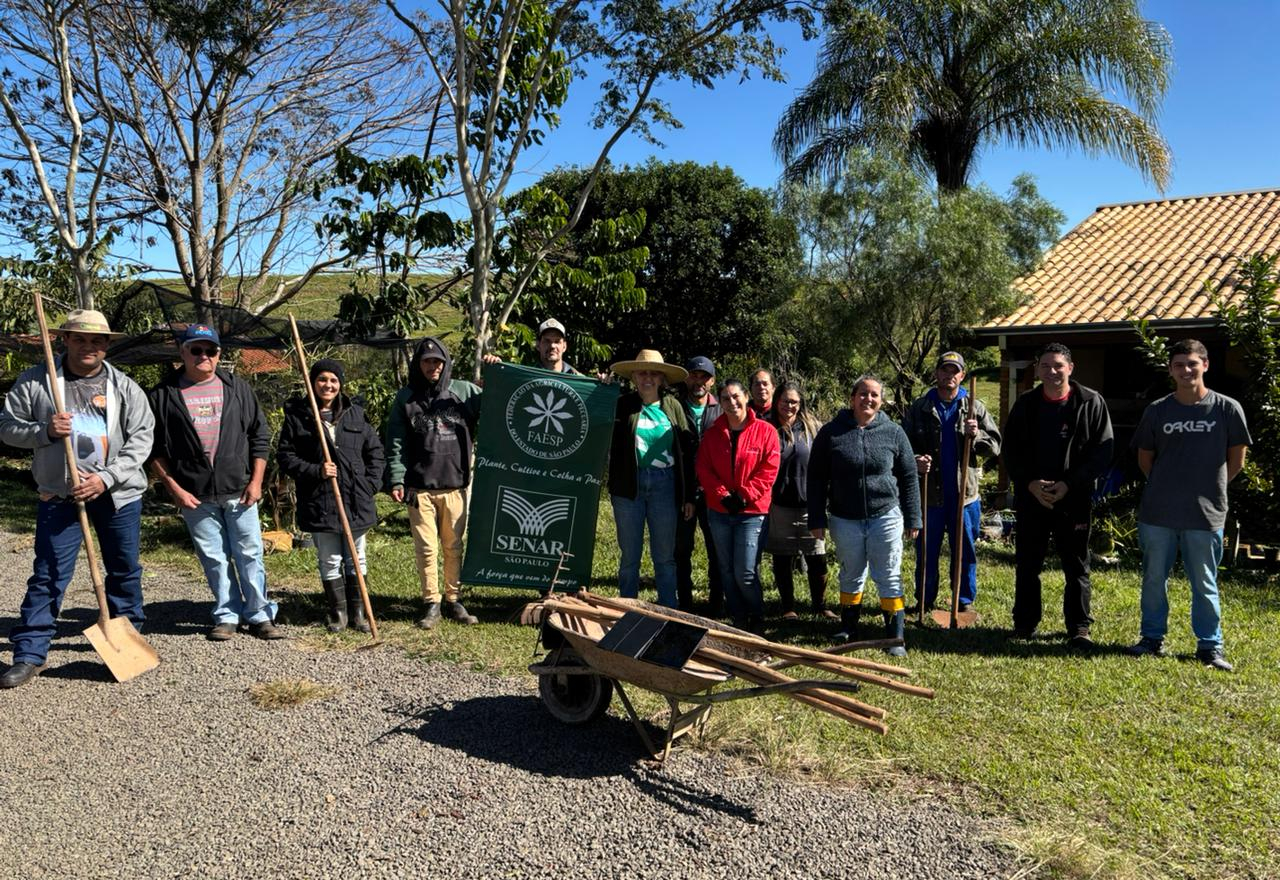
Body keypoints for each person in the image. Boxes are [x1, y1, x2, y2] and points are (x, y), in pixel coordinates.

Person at [0, 310, 155, 688]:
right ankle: (30, 653)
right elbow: (6, 429)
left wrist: (105, 479)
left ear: (106, 345)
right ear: (65, 340)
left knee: (123, 569)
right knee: (49, 572)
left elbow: (141, 439)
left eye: (97, 341)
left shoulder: (124, 387)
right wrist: (44, 431)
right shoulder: (38, 382)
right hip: (60, 495)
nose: (89, 346)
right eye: (80, 339)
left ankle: (126, 636)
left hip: (117, 495)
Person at [148, 324, 284, 641]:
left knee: (250, 553)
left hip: (240, 488)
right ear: (181, 352)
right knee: (213, 557)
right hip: (194, 494)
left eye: (210, 350)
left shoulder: (238, 388)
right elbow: (151, 449)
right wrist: (175, 489)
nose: (203, 356)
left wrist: (257, 481)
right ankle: (227, 615)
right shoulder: (163, 395)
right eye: (196, 350)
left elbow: (259, 436)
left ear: (219, 354)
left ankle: (260, 615)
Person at [1127, 339, 1250, 672]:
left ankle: (1210, 646)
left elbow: (1236, 458)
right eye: (1178, 364)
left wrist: (1211, 488)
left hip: (1206, 514)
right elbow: (1145, 458)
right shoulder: (1158, 410)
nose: (1185, 370)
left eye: (1192, 363)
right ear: (1170, 370)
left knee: (1205, 582)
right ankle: (1152, 638)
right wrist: (1169, 486)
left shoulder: (1226, 409)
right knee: (1154, 578)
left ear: (1205, 365)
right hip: (1159, 513)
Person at [1001, 342, 1113, 648]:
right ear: (1037, 370)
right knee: (1028, 564)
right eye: (1046, 366)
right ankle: (1024, 624)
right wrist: (1030, 484)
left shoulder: (1090, 402)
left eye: (1058, 366)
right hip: (1032, 497)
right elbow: (1011, 451)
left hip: (1073, 499)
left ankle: (1079, 628)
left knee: (1076, 565)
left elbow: (1102, 453)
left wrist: (1069, 484)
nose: (1052, 372)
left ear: (1070, 368)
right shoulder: (1026, 404)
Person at [808, 375, 921, 656]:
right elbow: (816, 478)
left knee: (889, 575)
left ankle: (894, 637)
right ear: (852, 397)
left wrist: (914, 517)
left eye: (874, 395)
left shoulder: (894, 432)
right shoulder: (831, 433)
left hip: (886, 516)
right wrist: (816, 518)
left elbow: (908, 477)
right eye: (862, 393)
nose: (867, 399)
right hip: (844, 518)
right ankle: (849, 628)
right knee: (851, 573)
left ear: (881, 401)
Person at [277, 359, 386, 634]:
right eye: (322, 379)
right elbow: (286, 457)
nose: (328, 385)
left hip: (355, 499)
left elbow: (375, 452)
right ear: (313, 383)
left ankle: (358, 613)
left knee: (356, 557)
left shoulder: (355, 414)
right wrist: (316, 470)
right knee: (330, 558)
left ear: (341, 384)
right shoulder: (299, 416)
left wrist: (369, 484)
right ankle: (338, 613)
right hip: (320, 499)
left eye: (334, 380)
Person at [386, 337, 482, 629]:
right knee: (426, 547)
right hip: (419, 488)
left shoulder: (465, 392)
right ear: (419, 364)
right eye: (427, 362)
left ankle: (454, 600)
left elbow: (496, 407)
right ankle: (431, 603)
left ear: (446, 363)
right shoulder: (406, 398)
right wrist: (396, 477)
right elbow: (396, 441)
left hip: (455, 484)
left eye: (438, 362)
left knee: (453, 546)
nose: (433, 367)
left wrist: (497, 374)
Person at [903, 351, 1001, 612]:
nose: (949, 375)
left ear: (962, 376)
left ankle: (964, 601)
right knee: (927, 552)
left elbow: (995, 447)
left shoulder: (974, 407)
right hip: (930, 496)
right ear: (937, 373)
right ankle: (924, 600)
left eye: (955, 371)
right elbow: (901, 447)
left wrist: (976, 436)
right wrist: (914, 460)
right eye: (945, 370)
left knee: (964, 552)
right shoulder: (920, 408)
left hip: (964, 497)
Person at [608, 349, 696, 608]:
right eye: (642, 372)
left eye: (653, 373)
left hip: (665, 485)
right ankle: (627, 609)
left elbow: (686, 452)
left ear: (661, 378)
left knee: (665, 556)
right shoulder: (622, 405)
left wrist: (689, 495)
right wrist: (602, 387)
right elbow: (596, 418)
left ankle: (668, 610)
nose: (647, 378)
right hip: (628, 486)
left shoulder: (673, 407)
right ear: (634, 377)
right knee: (630, 556)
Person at [697, 379, 780, 632]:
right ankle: (738, 617)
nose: (732, 403)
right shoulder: (713, 433)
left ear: (746, 397)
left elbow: (769, 469)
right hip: (719, 511)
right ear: (719, 403)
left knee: (745, 570)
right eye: (725, 398)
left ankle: (756, 615)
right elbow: (703, 467)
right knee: (726, 569)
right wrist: (722, 495)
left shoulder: (766, 431)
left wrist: (744, 496)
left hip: (752, 513)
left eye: (736, 396)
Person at [766, 381, 833, 620]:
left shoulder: (813, 428)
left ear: (800, 403)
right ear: (776, 402)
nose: (789, 406)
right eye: (785, 401)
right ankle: (788, 607)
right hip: (779, 502)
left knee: (817, 555)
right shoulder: (767, 427)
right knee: (782, 557)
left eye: (794, 401)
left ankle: (820, 605)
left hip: (810, 503)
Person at [674, 355, 723, 612]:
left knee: (716, 550)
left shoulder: (721, 409)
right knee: (682, 550)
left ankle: (716, 604)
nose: (698, 381)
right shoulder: (674, 407)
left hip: (714, 493)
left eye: (704, 377)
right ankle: (685, 604)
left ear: (712, 381)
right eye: (694, 375)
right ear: (687, 378)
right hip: (682, 491)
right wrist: (687, 495)